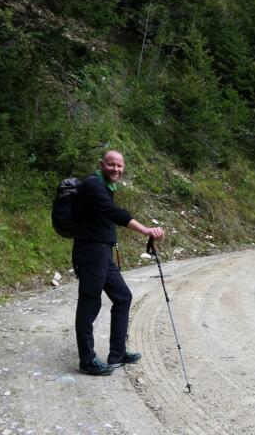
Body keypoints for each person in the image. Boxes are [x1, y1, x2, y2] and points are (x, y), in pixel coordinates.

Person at [72, 150, 165, 376]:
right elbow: (113, 212)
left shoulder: (105, 186)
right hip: (91, 252)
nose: (116, 169)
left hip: (103, 252)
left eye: (120, 166)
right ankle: (87, 360)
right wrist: (145, 230)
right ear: (101, 164)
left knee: (123, 297)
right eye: (111, 165)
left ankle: (117, 353)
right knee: (89, 303)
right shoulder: (93, 185)